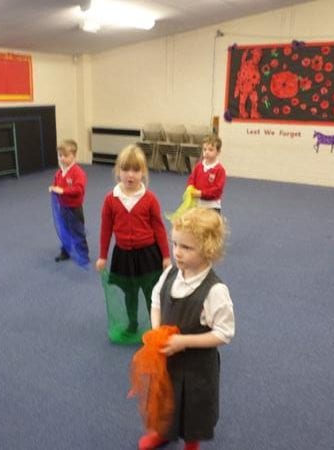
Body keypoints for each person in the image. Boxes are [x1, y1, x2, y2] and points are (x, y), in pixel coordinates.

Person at [138, 207, 234, 450]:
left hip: (196, 368)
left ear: (208, 249)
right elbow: (156, 299)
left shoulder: (215, 290)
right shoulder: (171, 273)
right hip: (167, 361)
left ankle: (192, 444)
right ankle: (163, 432)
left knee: (193, 408)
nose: (177, 253)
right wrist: (157, 329)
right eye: (175, 244)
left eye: (187, 247)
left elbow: (224, 333)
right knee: (164, 399)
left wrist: (184, 341)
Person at [95, 145, 171, 335]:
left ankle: (155, 326)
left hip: (148, 255)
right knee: (129, 292)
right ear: (118, 171)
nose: (130, 175)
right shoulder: (111, 199)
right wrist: (103, 256)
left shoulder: (150, 199)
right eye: (125, 169)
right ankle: (132, 323)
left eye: (136, 170)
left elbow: (159, 228)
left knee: (151, 292)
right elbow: (106, 229)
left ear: (143, 172)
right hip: (123, 255)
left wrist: (166, 256)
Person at [48, 139, 89, 263]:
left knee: (78, 231)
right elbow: (56, 184)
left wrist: (63, 191)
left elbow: (79, 189)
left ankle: (83, 253)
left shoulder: (78, 173)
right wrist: (53, 188)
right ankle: (65, 252)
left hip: (74, 208)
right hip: (63, 207)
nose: (62, 158)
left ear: (74, 156)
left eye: (65, 156)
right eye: (60, 155)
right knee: (64, 230)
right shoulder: (59, 173)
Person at [186, 134, 227, 212]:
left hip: (212, 206)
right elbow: (191, 179)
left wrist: (201, 194)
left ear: (218, 152)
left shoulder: (220, 170)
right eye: (204, 149)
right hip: (197, 204)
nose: (207, 152)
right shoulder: (198, 166)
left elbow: (217, 190)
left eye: (211, 150)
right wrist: (190, 188)